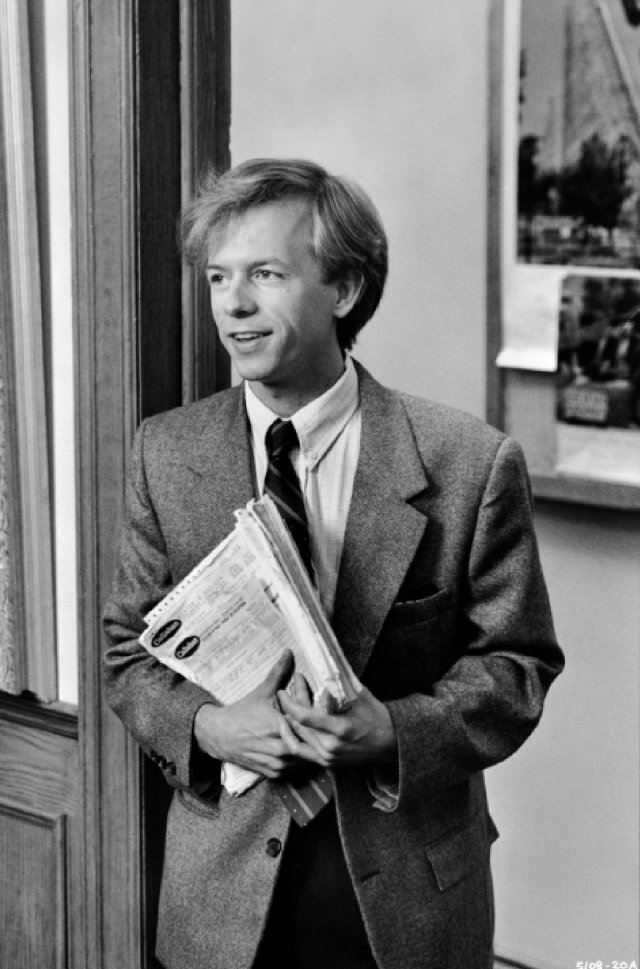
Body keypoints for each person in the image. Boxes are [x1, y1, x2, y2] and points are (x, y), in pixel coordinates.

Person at [103, 158, 564, 969]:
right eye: (218, 277)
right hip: (217, 897)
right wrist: (208, 726)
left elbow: (518, 664)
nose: (233, 304)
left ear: (344, 290)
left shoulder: (468, 462)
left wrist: (393, 729)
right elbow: (125, 653)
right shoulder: (164, 452)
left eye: (266, 274)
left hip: (407, 895)